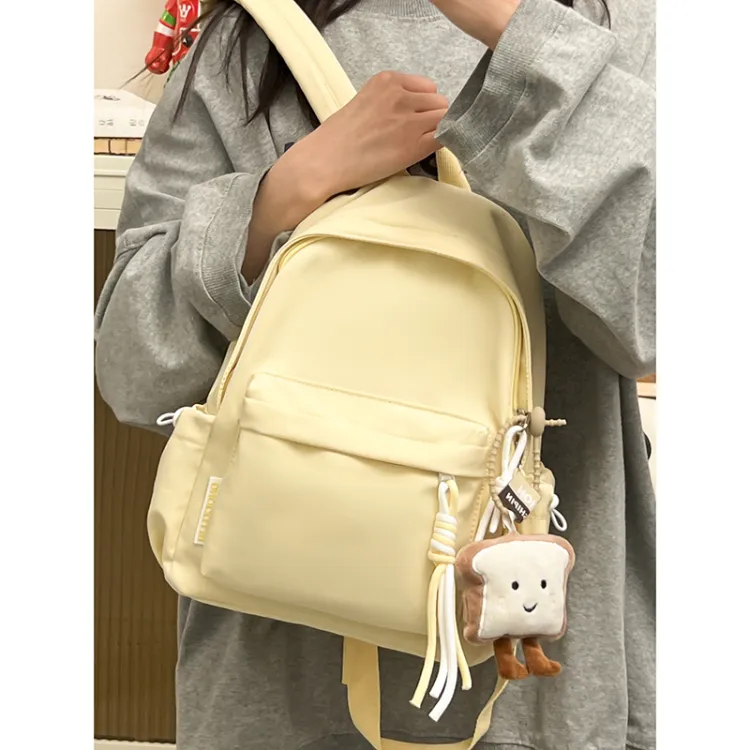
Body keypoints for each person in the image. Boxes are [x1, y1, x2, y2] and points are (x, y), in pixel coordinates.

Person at [94, 0, 655, 748]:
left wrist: (516, 34)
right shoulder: (250, 41)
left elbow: (656, 318)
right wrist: (283, 195)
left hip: (542, 685)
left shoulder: (614, 24)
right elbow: (133, 372)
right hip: (278, 686)